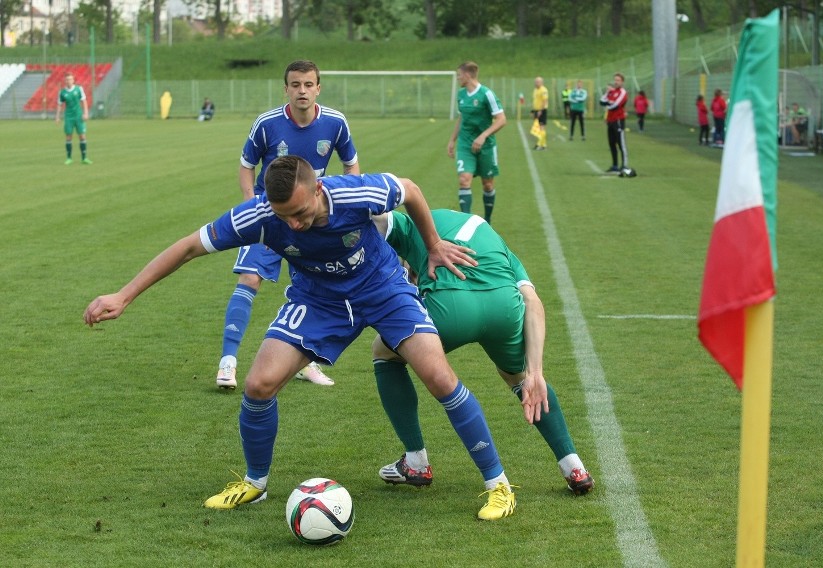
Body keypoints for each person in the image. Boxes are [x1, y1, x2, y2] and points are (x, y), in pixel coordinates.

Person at [83, 155, 519, 521]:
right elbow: (189, 247)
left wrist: (433, 243)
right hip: (319, 301)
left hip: (383, 289)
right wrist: (123, 295)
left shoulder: (356, 192)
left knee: (439, 378)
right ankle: (255, 483)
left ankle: (498, 485)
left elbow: (410, 189)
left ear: (318, 190)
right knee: (258, 384)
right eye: (282, 216)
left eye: (299, 212)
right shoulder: (261, 214)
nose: (291, 224)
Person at [371, 209, 595, 496]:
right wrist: (535, 372)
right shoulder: (493, 239)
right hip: (505, 309)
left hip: (449, 308)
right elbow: (532, 300)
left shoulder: (414, 222)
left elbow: (376, 219)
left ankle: (415, 461)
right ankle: (573, 466)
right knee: (518, 377)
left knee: (383, 351)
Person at [217, 60, 358, 390]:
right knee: (250, 279)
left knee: (315, 290)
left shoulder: (335, 123)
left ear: (318, 88)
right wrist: (252, 204)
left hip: (311, 220)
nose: (302, 91)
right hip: (269, 216)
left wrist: (340, 207)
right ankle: (228, 362)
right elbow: (246, 166)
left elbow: (352, 167)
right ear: (286, 89)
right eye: (295, 85)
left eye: (308, 85)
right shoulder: (267, 124)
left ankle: (305, 363)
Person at [447, 61, 506, 225]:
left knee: (487, 184)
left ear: (467, 75)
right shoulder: (461, 95)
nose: (458, 78)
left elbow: (502, 120)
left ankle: (487, 221)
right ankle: (466, 222)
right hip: (465, 145)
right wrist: (452, 140)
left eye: (459, 75)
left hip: (486, 146)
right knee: (464, 180)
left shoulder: (487, 94)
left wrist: (483, 136)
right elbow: (462, 118)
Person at [55, 72, 91, 165]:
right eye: (67, 79)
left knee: (82, 136)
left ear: (73, 80)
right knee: (68, 136)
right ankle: (69, 158)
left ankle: (84, 158)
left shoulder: (79, 89)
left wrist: (86, 113)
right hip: (68, 117)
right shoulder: (62, 92)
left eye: (70, 79)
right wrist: (58, 117)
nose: (69, 81)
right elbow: (59, 104)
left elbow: (84, 101)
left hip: (78, 116)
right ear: (65, 81)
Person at [600, 73, 632, 175]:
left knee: (621, 144)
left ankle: (624, 165)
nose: (616, 82)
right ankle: (615, 165)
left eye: (618, 80)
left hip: (618, 120)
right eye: (615, 80)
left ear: (622, 82)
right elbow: (601, 101)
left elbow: (615, 105)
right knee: (612, 143)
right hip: (610, 120)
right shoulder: (612, 92)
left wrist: (607, 105)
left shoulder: (622, 92)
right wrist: (607, 93)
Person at [531, 76, 548, 150]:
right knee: (537, 128)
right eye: (535, 81)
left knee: (542, 127)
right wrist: (533, 111)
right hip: (536, 110)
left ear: (541, 82)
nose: (536, 83)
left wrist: (541, 111)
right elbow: (535, 100)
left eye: (538, 82)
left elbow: (545, 101)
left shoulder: (543, 90)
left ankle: (539, 144)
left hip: (541, 111)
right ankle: (543, 144)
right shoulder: (535, 90)